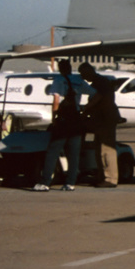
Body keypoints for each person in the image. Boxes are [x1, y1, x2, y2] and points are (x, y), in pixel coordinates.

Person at [33, 59, 91, 192]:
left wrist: (54, 118)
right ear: (70, 68)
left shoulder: (59, 80)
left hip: (64, 121)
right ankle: (71, 182)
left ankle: (45, 182)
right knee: (73, 153)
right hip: (76, 119)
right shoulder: (79, 80)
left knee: (53, 151)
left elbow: (56, 100)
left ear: (60, 69)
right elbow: (93, 92)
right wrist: (86, 109)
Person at [79, 63, 121, 187]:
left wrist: (85, 108)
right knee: (99, 149)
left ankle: (111, 179)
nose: (84, 78)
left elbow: (98, 97)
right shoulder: (100, 82)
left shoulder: (100, 82)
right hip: (101, 120)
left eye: (84, 75)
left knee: (106, 149)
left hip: (105, 119)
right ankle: (102, 176)